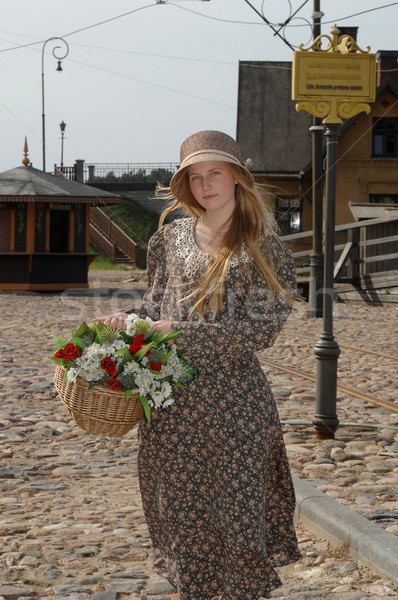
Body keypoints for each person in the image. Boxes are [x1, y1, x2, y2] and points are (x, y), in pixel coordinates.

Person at [97, 130, 301, 600]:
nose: (206, 185)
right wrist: (129, 322)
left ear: (236, 179)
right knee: (181, 514)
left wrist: (178, 332)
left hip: (235, 406)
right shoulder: (167, 239)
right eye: (195, 177)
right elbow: (154, 307)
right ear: (186, 185)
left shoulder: (266, 247)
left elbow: (259, 332)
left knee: (238, 518)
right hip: (172, 405)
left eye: (215, 173)